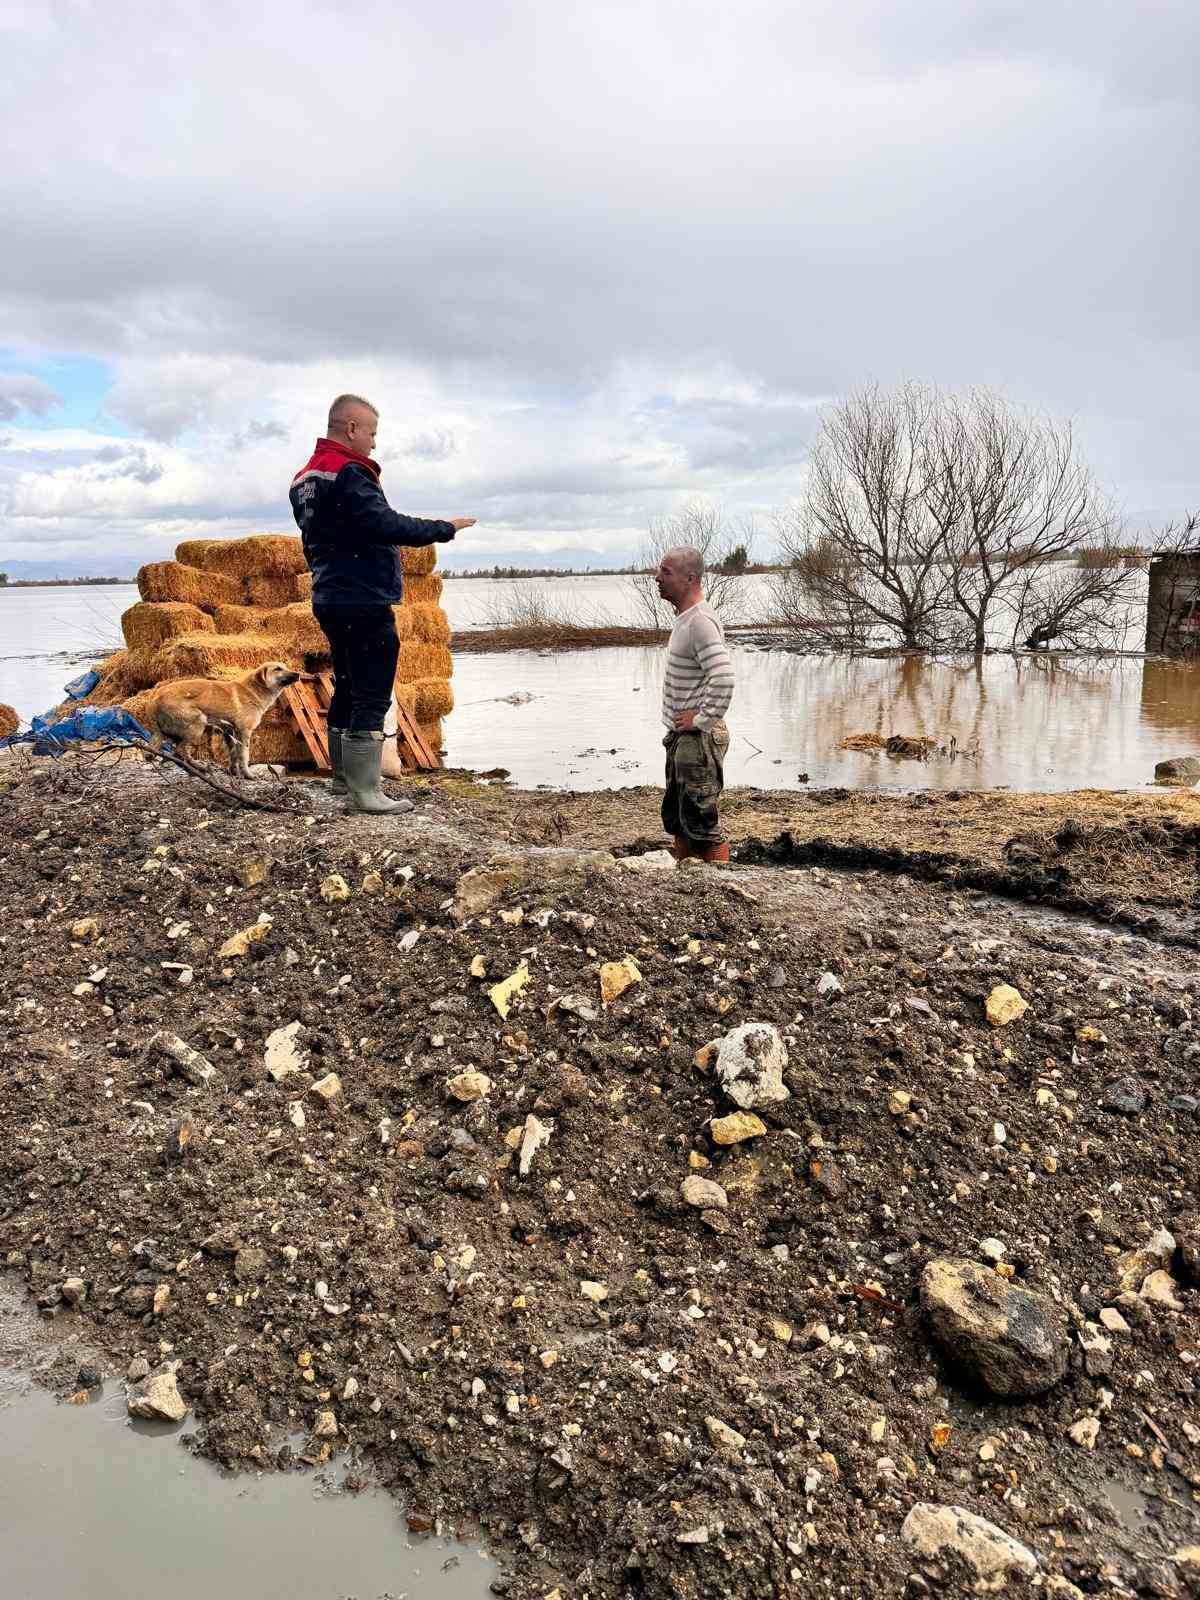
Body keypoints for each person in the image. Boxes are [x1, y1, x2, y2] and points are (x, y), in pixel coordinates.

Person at [289, 395, 474, 813]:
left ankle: (342, 780)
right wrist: (445, 528)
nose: (374, 443)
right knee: (373, 689)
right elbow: (385, 523)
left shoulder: (304, 478)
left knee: (348, 683)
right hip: (362, 595)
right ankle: (367, 792)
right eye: (371, 433)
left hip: (329, 594)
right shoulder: (349, 471)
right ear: (351, 428)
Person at [655, 545, 735, 862]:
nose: (656, 577)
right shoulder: (685, 620)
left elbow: (724, 677)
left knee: (703, 828)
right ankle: (687, 885)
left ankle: (722, 890)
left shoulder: (700, 622)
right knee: (680, 822)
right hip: (682, 738)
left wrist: (702, 719)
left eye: (665, 572)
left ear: (690, 578)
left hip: (697, 740)